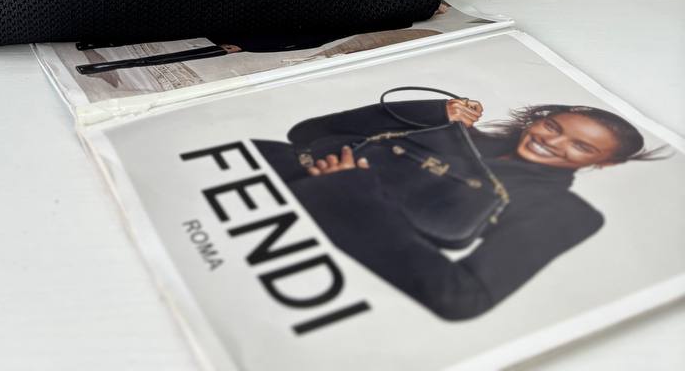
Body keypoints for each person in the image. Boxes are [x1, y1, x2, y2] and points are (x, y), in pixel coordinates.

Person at [255, 93, 662, 320]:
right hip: (258, 167)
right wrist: (429, 111)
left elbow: (462, 297)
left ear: (605, 163)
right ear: (537, 118)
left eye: (581, 147)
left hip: (289, 245)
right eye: (552, 126)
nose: (551, 142)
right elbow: (306, 134)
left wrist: (350, 194)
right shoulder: (458, 130)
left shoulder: (561, 211)